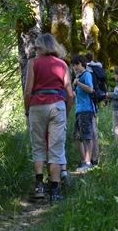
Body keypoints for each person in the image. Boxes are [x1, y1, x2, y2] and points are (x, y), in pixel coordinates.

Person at [24, 34, 74, 202]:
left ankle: (39, 187)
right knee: (56, 149)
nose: (35, 51)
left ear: (43, 48)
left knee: (38, 147)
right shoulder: (62, 65)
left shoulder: (33, 63)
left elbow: (28, 91)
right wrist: (65, 112)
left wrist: (27, 110)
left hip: (37, 105)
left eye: (37, 47)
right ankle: (55, 190)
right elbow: (70, 94)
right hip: (57, 106)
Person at [71, 54, 95, 172]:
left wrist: (78, 83)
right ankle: (83, 161)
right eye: (73, 65)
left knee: (86, 136)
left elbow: (91, 89)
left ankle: (88, 162)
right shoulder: (78, 77)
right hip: (79, 110)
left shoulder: (87, 75)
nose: (75, 67)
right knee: (76, 137)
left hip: (86, 110)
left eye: (77, 64)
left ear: (82, 64)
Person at [84, 52, 103, 165]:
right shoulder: (97, 67)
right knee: (93, 128)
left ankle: (92, 158)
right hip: (95, 100)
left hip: (88, 101)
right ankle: (95, 156)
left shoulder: (87, 70)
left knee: (92, 131)